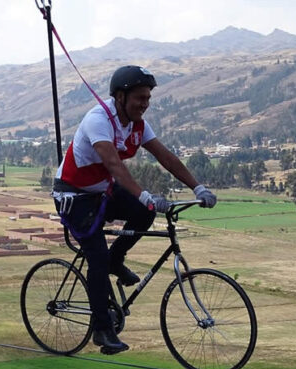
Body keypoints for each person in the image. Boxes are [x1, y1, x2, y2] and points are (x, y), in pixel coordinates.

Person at [53, 65, 217, 354]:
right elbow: (115, 166)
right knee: (97, 258)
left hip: (101, 190)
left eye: (148, 98)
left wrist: (197, 187)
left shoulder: (137, 125)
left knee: (145, 214)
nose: (145, 104)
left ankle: (117, 260)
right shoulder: (98, 120)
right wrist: (143, 195)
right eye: (140, 98)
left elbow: (165, 156)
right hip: (74, 195)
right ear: (119, 97)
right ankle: (102, 330)